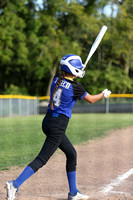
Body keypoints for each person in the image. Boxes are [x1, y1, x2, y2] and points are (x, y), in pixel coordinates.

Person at [6, 54, 111, 200]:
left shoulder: (57, 79)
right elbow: (92, 100)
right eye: (78, 68)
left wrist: (77, 72)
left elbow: (69, 83)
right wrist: (103, 94)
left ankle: (73, 193)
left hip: (48, 121)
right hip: (58, 126)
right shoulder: (76, 87)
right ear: (73, 70)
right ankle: (14, 184)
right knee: (42, 159)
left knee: (71, 154)